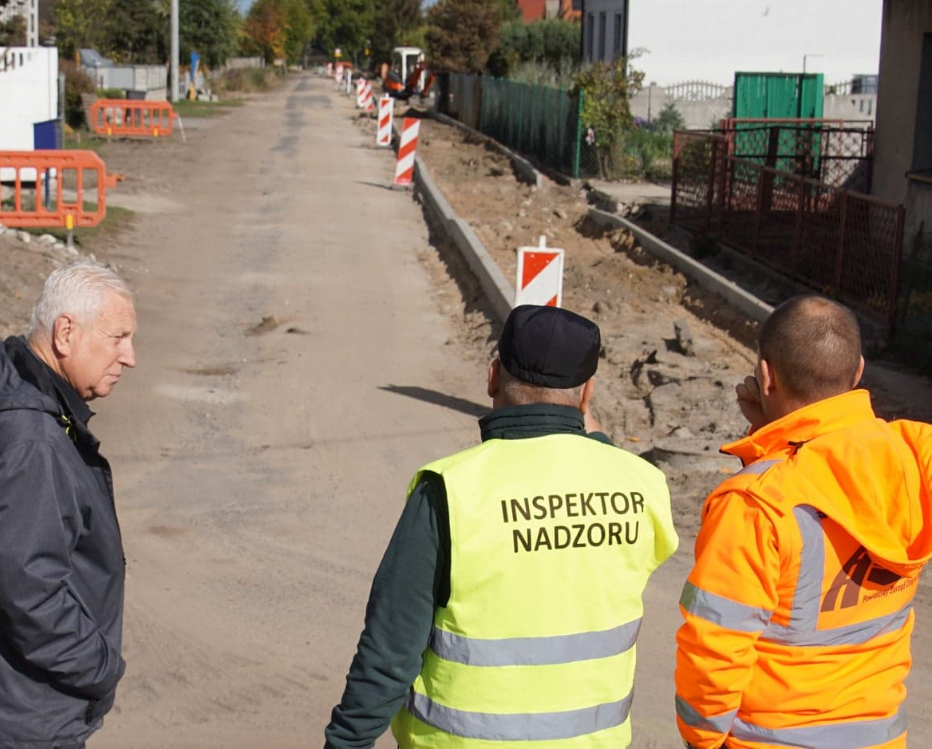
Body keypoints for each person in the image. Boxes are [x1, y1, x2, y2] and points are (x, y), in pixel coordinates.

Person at [324, 305, 678, 749]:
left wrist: (346, 741)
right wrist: (600, 446)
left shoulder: (449, 491)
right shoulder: (641, 484)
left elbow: (390, 652)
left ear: (493, 378)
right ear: (587, 395)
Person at [675, 295, 932, 749]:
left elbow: (714, 651)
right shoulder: (912, 454)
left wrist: (701, 740)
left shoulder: (754, 505)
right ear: (857, 374)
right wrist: (773, 439)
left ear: (766, 376)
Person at [0, 261, 137, 749]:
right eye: (118, 337)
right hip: (25, 715)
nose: (129, 356)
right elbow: (33, 595)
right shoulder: (30, 435)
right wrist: (102, 667)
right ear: (66, 332)